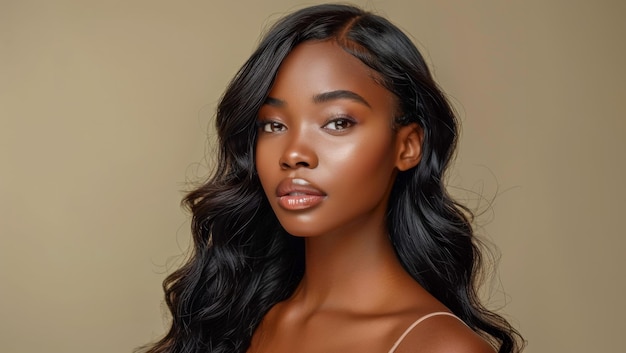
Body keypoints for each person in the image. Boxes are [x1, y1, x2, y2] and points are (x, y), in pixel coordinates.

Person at [139, 3, 524, 353]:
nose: (293, 154)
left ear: (407, 146)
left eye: (337, 122)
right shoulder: (237, 317)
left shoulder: (438, 347)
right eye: (273, 124)